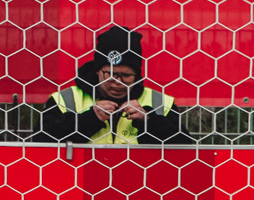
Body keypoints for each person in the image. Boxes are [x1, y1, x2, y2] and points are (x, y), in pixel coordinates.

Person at [42, 26, 190, 145]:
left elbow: (185, 149)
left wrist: (148, 121)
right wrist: (90, 119)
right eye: (111, 74)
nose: (118, 81)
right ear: (97, 70)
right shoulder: (64, 100)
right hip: (81, 174)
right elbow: (39, 142)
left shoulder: (161, 103)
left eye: (126, 75)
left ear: (137, 75)